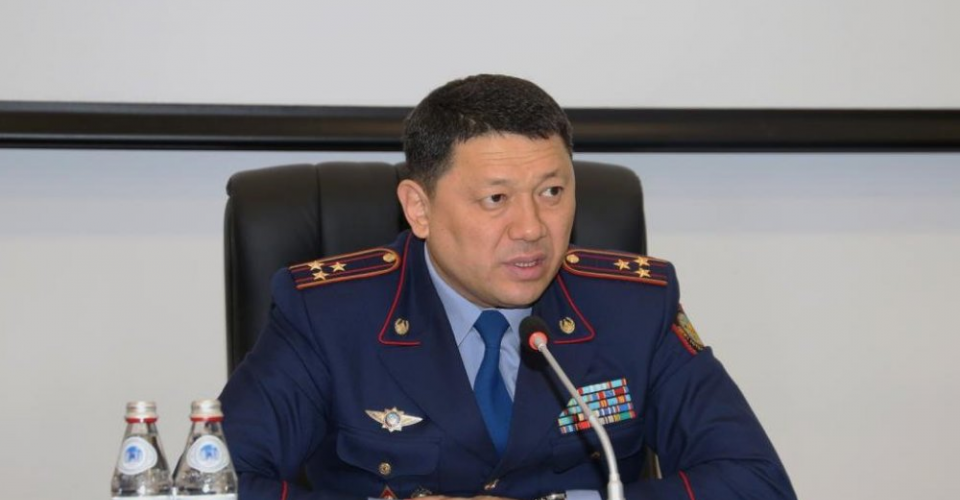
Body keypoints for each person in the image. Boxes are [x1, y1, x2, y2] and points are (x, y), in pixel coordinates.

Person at [219, 74, 797, 500]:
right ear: (419, 209)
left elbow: (755, 483)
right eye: (496, 199)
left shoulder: (633, 308)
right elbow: (216, 484)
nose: (531, 228)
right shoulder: (328, 314)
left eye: (552, 192)